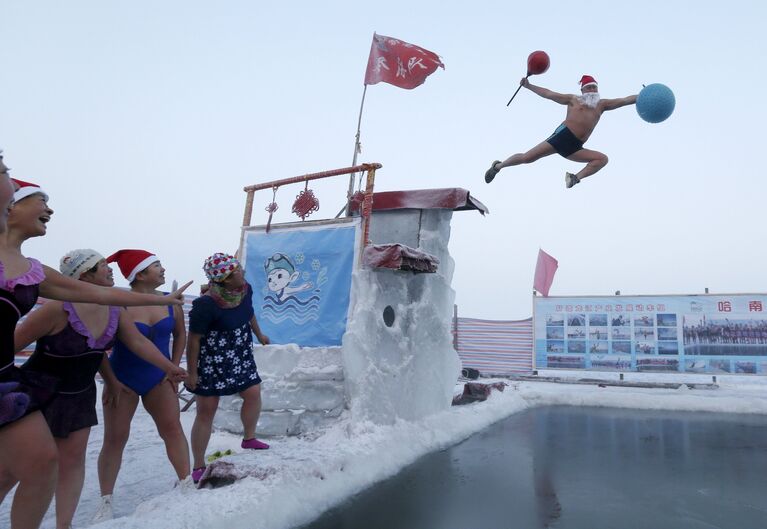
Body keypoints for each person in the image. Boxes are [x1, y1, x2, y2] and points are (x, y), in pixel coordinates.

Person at [0, 161, 189, 529]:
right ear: (12, 206)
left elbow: (108, 314)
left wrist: (164, 303)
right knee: (15, 469)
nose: (49, 209)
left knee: (46, 464)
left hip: (52, 390)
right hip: (39, 388)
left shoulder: (34, 270)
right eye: (40, 200)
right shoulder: (55, 310)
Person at [14, 249, 187, 529]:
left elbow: (134, 344)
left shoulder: (113, 308)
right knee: (22, 467)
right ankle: (90, 505)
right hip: (40, 393)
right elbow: (11, 345)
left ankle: (64, 524)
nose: (110, 269)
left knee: (72, 462)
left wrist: (170, 367)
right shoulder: (57, 309)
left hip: (81, 393)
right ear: (84, 275)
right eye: (103, 265)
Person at [93, 249, 191, 522]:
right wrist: (109, 380)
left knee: (172, 429)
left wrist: (172, 366)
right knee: (114, 439)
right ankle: (105, 501)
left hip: (159, 377)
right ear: (140, 273)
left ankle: (186, 484)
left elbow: (180, 333)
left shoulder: (170, 302)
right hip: (122, 379)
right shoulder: (119, 302)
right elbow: (99, 342)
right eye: (157, 265)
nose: (162, 269)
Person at [186, 253, 270, 484]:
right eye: (237, 272)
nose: (242, 273)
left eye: (240, 269)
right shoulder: (205, 304)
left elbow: (248, 312)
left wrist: (259, 334)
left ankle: (249, 438)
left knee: (253, 393)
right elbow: (193, 340)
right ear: (224, 279)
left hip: (240, 352)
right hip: (213, 358)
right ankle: (198, 464)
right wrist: (192, 372)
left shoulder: (245, 290)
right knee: (207, 410)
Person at [485, 75, 637, 188]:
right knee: (527, 158)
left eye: (594, 87)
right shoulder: (573, 100)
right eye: (588, 87)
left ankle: (574, 178)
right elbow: (549, 94)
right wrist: (529, 86)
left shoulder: (602, 104)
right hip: (562, 137)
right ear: (582, 90)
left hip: (575, 147)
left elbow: (625, 100)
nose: (591, 90)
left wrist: (641, 96)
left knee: (602, 159)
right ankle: (498, 166)